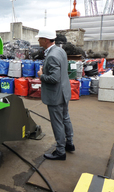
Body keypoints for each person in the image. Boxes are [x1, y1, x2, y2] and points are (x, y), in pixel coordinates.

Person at [36, 28, 75, 161]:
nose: (38, 40)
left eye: (40, 38)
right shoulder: (60, 50)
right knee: (65, 118)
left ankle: (60, 151)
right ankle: (69, 143)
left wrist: (41, 76)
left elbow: (54, 78)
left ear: (46, 40)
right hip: (64, 92)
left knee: (57, 122)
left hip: (55, 95)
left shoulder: (52, 55)